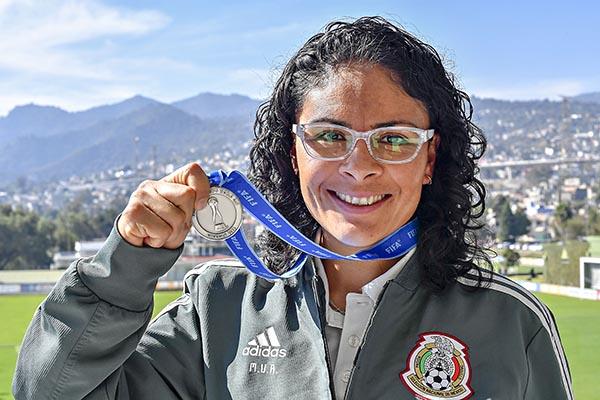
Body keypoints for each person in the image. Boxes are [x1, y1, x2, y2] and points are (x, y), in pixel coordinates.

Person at [13, 16, 572, 400]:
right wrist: (123, 270)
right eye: (329, 136)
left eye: (395, 139)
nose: (359, 166)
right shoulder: (219, 313)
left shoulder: (510, 324)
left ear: (430, 161)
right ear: (294, 153)